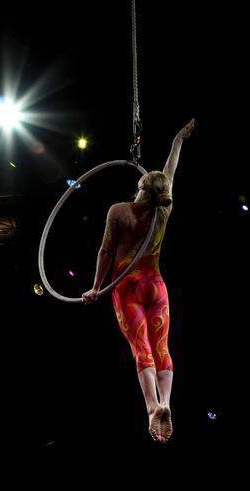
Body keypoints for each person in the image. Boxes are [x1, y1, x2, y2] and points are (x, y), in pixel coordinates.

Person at [82, 118, 195, 443]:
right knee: (161, 347)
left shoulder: (119, 211)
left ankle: (152, 407)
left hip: (127, 287)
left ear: (141, 188)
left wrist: (96, 287)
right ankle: (166, 402)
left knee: (141, 347)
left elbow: (106, 252)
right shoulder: (163, 211)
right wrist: (177, 141)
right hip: (155, 285)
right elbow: (170, 171)